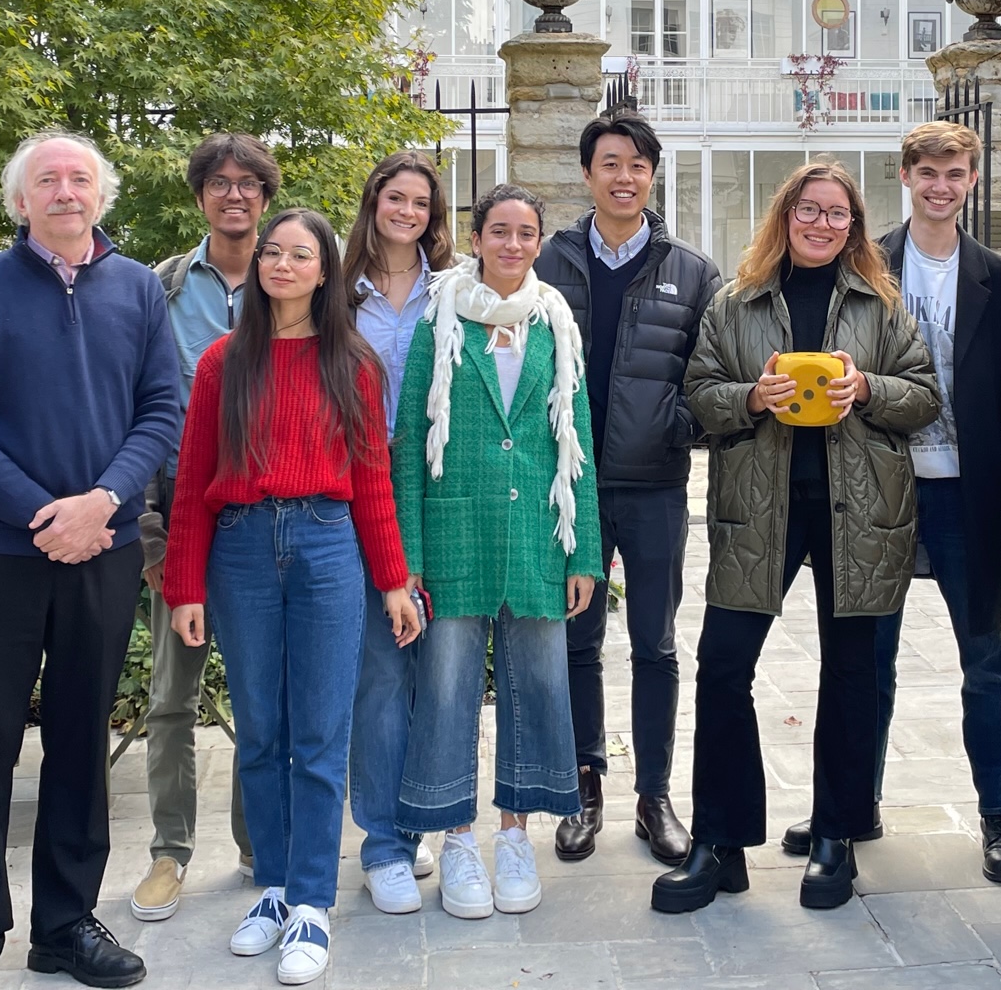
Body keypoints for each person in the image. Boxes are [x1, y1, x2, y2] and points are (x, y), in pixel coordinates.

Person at [0, 131, 179, 990]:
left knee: (80, 739)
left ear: (101, 195)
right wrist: (43, 514)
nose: (65, 191)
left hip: (102, 551)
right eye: (47, 180)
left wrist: (101, 503)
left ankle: (65, 925)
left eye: (79, 178)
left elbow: (161, 411)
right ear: (21, 200)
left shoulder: (140, 288)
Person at [653, 161, 940, 915]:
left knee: (851, 677)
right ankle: (721, 844)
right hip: (760, 510)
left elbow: (924, 396)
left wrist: (869, 388)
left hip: (861, 513)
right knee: (722, 667)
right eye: (808, 210)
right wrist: (752, 395)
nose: (821, 223)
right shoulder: (735, 303)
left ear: (853, 228)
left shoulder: (881, 305)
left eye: (837, 214)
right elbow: (699, 396)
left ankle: (835, 838)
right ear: (786, 217)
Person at [165, 208, 419, 985]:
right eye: (271, 252)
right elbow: (191, 484)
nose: (280, 264)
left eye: (298, 254)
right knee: (261, 731)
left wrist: (394, 580)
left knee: (319, 732)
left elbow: (373, 481)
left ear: (323, 270)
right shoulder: (220, 365)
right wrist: (184, 585)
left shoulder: (354, 364)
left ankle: (312, 900)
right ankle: (272, 888)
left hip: (327, 544)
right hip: (241, 548)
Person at [392, 184, 602, 920]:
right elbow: (409, 449)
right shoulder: (439, 321)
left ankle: (514, 834)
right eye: (500, 231)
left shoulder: (555, 326)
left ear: (540, 243)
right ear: (476, 237)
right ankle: (455, 837)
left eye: (527, 233)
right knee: (446, 689)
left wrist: (587, 557)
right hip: (455, 533)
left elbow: (576, 446)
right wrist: (408, 556)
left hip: (541, 535)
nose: (513, 245)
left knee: (538, 684)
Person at [536, 109, 720, 867]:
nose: (624, 177)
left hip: (654, 485)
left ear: (652, 175)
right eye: (610, 163)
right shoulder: (550, 261)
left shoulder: (691, 270)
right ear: (588, 174)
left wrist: (676, 423)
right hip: (567, 485)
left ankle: (655, 796)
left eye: (638, 165)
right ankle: (585, 787)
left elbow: (713, 378)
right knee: (578, 641)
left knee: (656, 644)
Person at [854, 122, 1001, 884]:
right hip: (883, 488)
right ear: (905, 175)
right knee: (868, 657)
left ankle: (998, 812)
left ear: (971, 179)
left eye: (954, 172)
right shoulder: (867, 265)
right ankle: (853, 802)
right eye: (927, 171)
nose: (940, 185)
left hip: (968, 490)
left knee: (984, 659)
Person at [131, 132, 280, 923]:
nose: (234, 195)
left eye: (249, 183)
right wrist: (151, 539)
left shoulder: (290, 282)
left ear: (264, 197)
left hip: (264, 529)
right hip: (180, 525)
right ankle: (169, 852)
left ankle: (261, 847)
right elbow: (141, 417)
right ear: (200, 197)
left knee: (261, 700)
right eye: (220, 183)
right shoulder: (158, 289)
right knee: (170, 702)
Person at [343, 150, 454, 913]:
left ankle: (420, 825)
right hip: (358, 486)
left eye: (421, 201)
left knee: (436, 670)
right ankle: (382, 840)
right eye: (396, 197)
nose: (407, 211)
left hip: (441, 489)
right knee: (382, 669)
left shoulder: (455, 291)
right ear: (374, 202)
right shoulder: (336, 293)